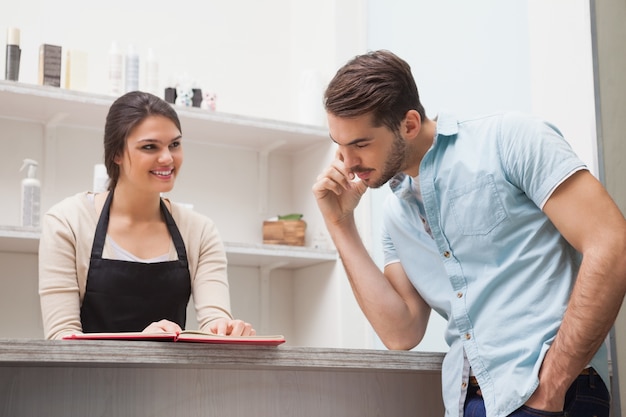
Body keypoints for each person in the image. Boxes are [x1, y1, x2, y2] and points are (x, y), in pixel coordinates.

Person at [312, 49, 626, 417]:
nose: (347, 163)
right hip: (469, 403)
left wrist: (552, 386)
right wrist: (339, 223)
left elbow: (611, 244)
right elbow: (401, 332)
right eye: (340, 146)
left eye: (360, 144)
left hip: (549, 396)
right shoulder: (397, 215)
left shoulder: (510, 139)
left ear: (409, 124)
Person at [39, 91, 255, 340]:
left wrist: (225, 329)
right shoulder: (67, 222)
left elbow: (213, 319)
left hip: (169, 379)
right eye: (150, 147)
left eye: (174, 144)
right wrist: (138, 342)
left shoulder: (200, 230)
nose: (167, 158)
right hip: (87, 379)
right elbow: (61, 338)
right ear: (116, 154)